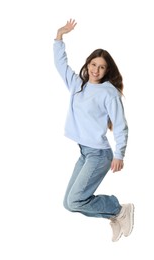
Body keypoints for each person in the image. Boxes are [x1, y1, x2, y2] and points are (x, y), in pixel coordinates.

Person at [53, 19, 134, 242]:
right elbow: (61, 64)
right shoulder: (77, 84)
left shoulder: (109, 93)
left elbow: (120, 125)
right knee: (69, 203)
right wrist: (59, 36)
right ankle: (116, 214)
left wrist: (119, 154)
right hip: (85, 152)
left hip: (99, 155)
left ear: (107, 70)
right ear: (87, 64)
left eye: (102, 67)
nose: (96, 70)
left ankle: (118, 209)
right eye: (93, 64)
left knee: (75, 200)